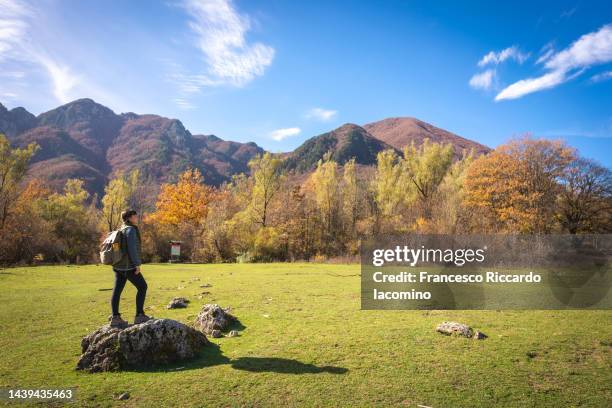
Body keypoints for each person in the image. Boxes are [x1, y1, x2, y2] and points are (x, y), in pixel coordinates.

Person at [109, 209, 151, 328]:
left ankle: (115, 318)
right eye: (135, 216)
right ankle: (139, 315)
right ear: (130, 218)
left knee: (117, 291)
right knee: (143, 287)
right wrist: (137, 264)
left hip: (118, 266)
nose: (136, 218)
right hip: (128, 267)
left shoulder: (121, 228)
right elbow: (132, 249)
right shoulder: (131, 230)